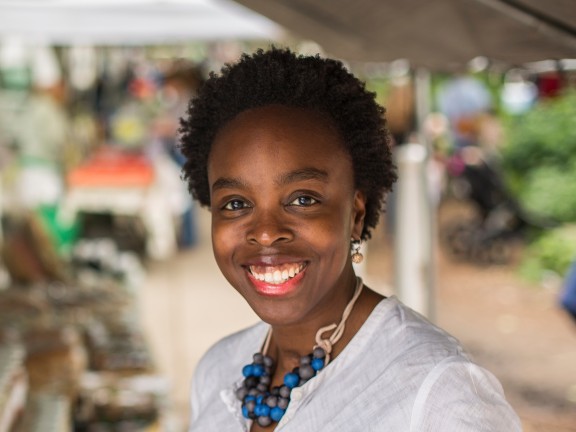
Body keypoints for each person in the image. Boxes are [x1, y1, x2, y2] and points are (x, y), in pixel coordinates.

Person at [179, 47, 521, 431]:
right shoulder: (217, 371)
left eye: (303, 199)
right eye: (236, 203)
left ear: (355, 214)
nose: (265, 232)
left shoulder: (435, 393)